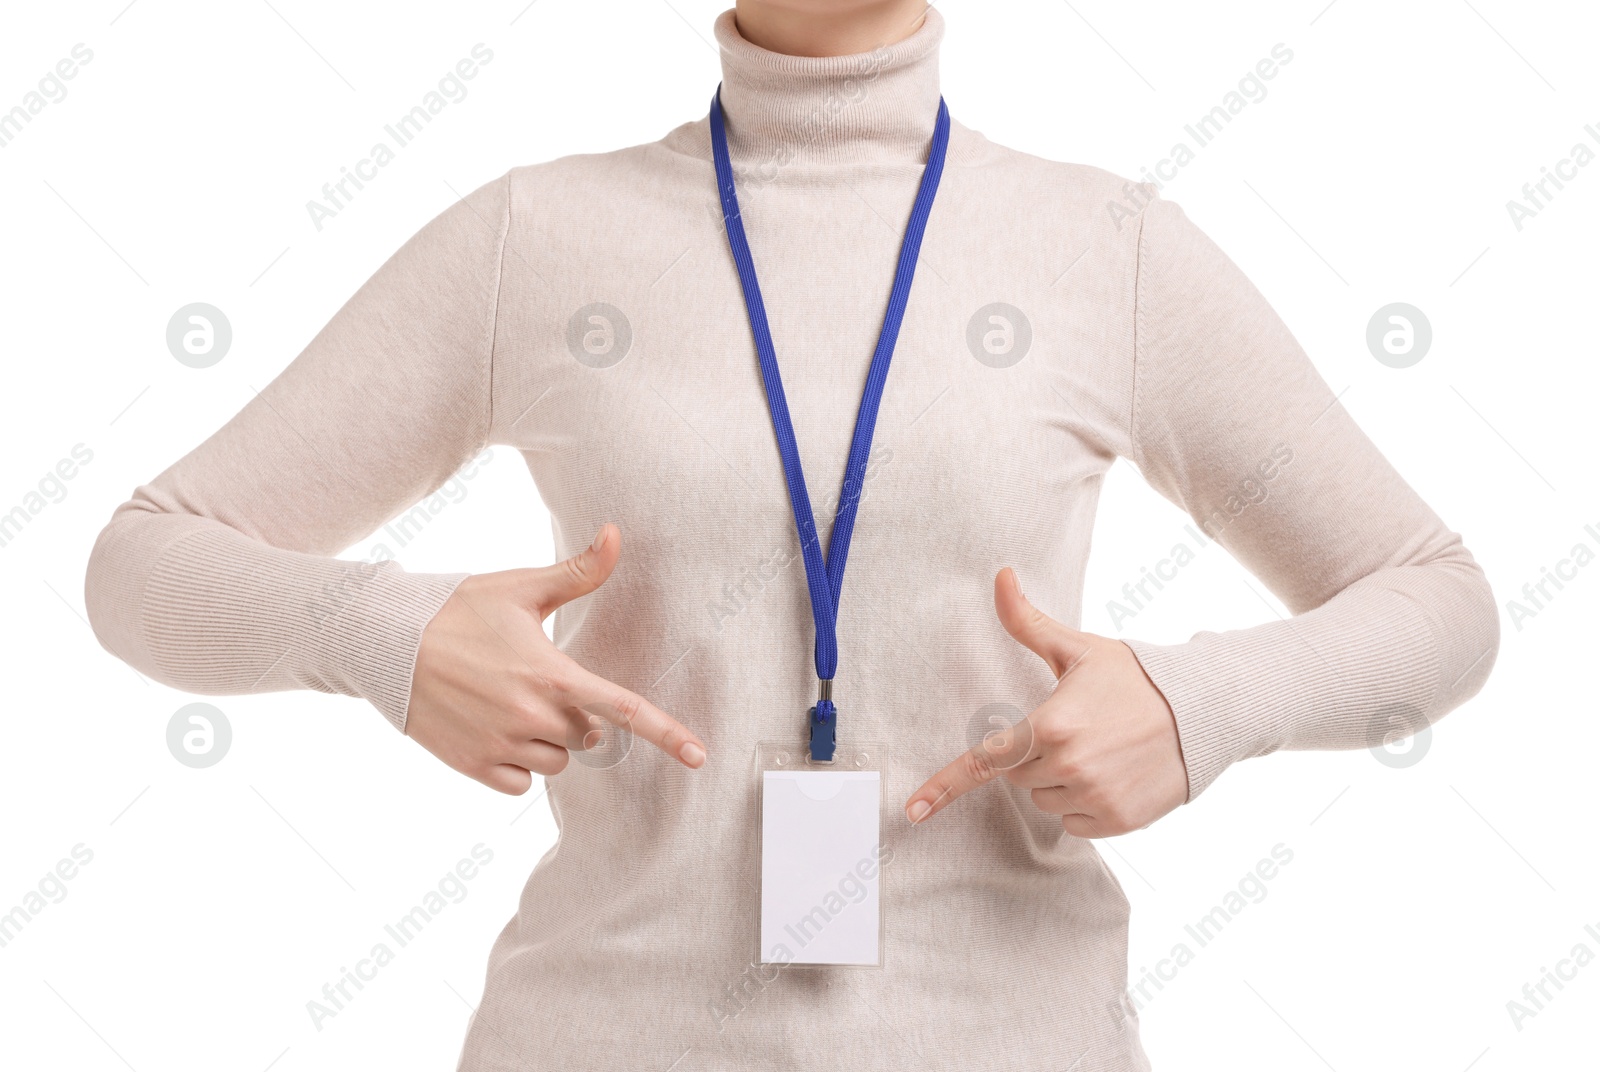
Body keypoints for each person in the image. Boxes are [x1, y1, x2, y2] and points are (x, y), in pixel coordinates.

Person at [84, 2, 1499, 1068]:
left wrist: (1201, 702)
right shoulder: (540, 235)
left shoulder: (1105, 247)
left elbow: (1437, 602)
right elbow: (147, 559)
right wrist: (385, 634)